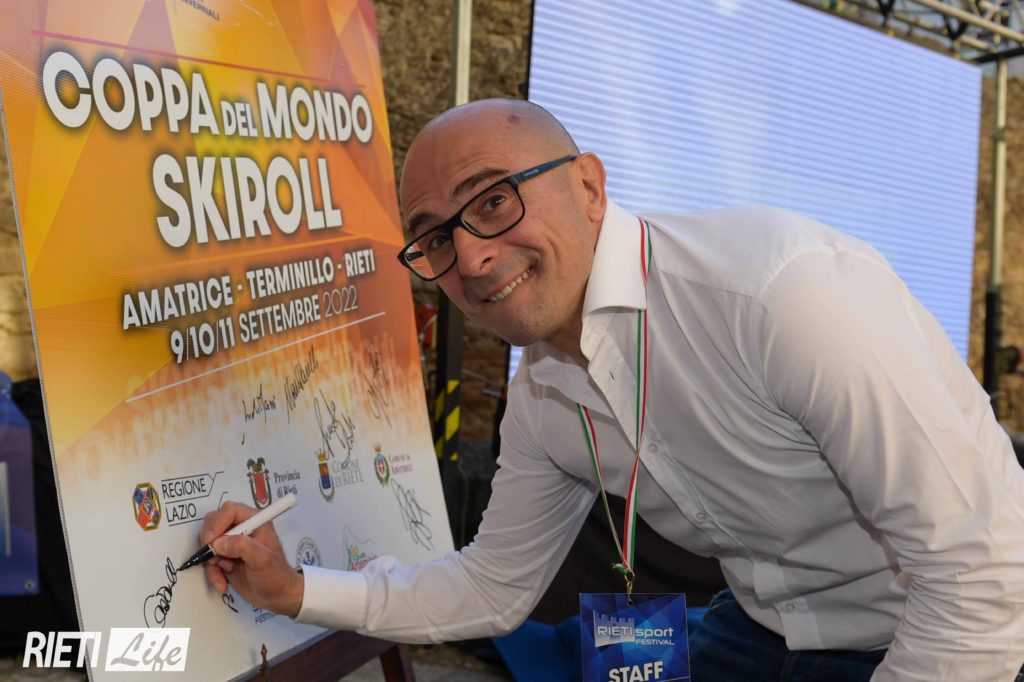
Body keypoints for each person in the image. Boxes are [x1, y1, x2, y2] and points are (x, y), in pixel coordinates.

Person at [201, 99, 1024, 681]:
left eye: (495, 201)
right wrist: (293, 589)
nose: (473, 258)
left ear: (589, 186)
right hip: (761, 629)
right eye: (436, 239)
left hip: (934, 635)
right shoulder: (542, 399)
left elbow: (984, 578)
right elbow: (492, 586)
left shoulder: (777, 294)